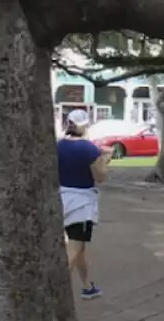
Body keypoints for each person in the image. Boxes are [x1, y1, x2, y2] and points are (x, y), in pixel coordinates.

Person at [57, 109, 112, 300]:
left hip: (61, 197)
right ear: (84, 126)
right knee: (74, 247)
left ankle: (87, 286)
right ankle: (55, 290)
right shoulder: (89, 149)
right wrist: (106, 159)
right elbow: (100, 176)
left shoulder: (58, 146)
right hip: (82, 203)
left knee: (79, 247)